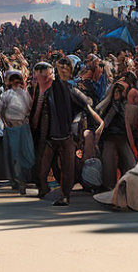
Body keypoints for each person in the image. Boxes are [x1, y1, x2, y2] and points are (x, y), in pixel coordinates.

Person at [30, 61, 96, 206]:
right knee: (43, 166)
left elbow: (86, 103)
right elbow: (36, 116)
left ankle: (65, 195)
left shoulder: (69, 88)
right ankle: (44, 188)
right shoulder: (42, 92)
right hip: (49, 136)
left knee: (67, 168)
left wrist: (82, 122)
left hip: (66, 134)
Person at [0, 69, 34, 194]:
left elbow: (30, 108)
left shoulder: (24, 94)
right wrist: (5, 122)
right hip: (11, 129)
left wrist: (26, 119)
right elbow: (0, 111)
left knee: (26, 154)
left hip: (23, 128)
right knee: (14, 156)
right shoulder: (7, 95)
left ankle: (23, 180)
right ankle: (17, 181)